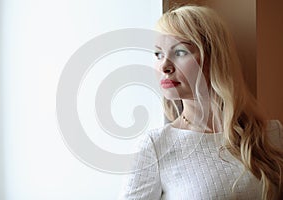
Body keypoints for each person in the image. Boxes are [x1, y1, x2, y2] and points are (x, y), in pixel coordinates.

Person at [118, 5, 283, 200]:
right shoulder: (155, 147)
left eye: (179, 52)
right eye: (158, 54)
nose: (164, 65)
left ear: (213, 57)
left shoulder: (272, 134)